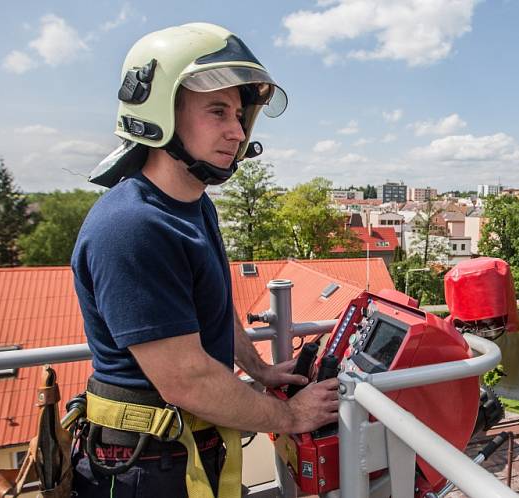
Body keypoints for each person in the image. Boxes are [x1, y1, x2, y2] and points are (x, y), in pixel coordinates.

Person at [70, 23, 338, 497]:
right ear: (161, 114)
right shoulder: (133, 227)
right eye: (217, 111)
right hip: (143, 467)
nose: (237, 132)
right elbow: (187, 381)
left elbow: (212, 303)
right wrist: (291, 416)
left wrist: (257, 369)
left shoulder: (193, 206)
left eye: (239, 115)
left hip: (185, 449)